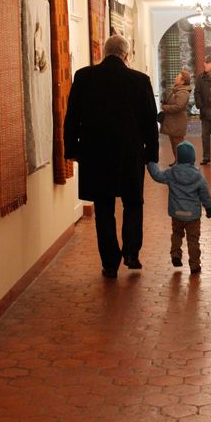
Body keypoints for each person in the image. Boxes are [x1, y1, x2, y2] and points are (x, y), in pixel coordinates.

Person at [64, 34, 159, 279]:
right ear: (126, 55)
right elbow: (150, 122)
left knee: (104, 208)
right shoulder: (140, 80)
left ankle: (109, 263)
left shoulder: (84, 77)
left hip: (95, 154)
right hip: (130, 153)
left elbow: (72, 116)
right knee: (133, 202)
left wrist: (72, 150)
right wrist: (151, 155)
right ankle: (131, 253)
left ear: (104, 53)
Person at [147, 141, 211, 274]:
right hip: (193, 216)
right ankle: (194, 264)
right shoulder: (198, 175)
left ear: (178, 157)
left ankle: (175, 254)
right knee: (193, 240)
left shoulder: (172, 173)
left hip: (176, 213)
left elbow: (157, 176)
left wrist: (150, 163)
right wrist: (209, 207)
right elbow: (205, 193)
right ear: (193, 158)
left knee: (176, 234)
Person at [159, 70, 192, 165]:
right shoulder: (176, 90)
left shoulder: (183, 92)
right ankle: (177, 161)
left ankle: (182, 163)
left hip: (178, 122)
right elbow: (172, 102)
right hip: (173, 122)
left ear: (182, 81)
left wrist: (165, 107)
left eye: (178, 77)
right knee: (174, 143)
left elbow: (178, 107)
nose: (175, 78)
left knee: (179, 144)